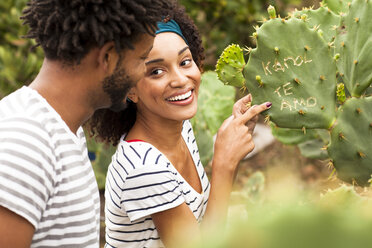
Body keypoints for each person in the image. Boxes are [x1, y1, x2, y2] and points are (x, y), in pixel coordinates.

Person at [87, 3, 272, 248]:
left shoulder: (180, 128)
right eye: (156, 71)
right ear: (129, 89)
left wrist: (232, 152)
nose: (180, 80)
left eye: (185, 62)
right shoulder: (145, 169)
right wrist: (223, 163)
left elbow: (206, 216)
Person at [0, 0, 173, 247]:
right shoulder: (25, 142)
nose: (140, 74)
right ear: (108, 56)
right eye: (141, 59)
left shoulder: (63, 130)